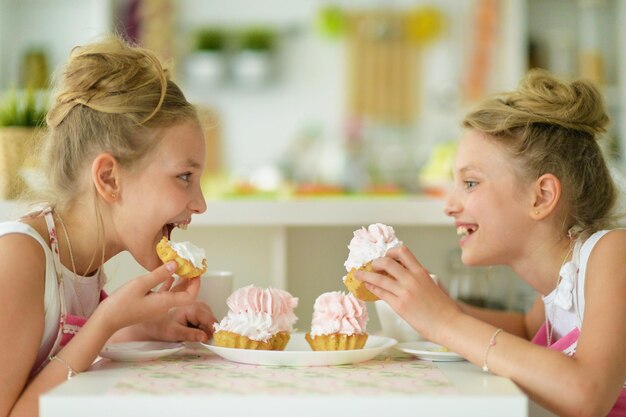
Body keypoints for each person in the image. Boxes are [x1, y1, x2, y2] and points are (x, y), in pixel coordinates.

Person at [359, 70, 626, 417]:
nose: (449, 205)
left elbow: (586, 394)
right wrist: (432, 307)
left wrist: (446, 322)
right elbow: (529, 330)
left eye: (470, 183)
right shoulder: (561, 283)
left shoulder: (612, 253)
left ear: (541, 196)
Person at [0, 37, 216, 417]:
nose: (200, 203)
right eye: (184, 176)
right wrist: (107, 320)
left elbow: (61, 347)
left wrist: (144, 326)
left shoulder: (82, 261)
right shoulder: (18, 258)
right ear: (109, 179)